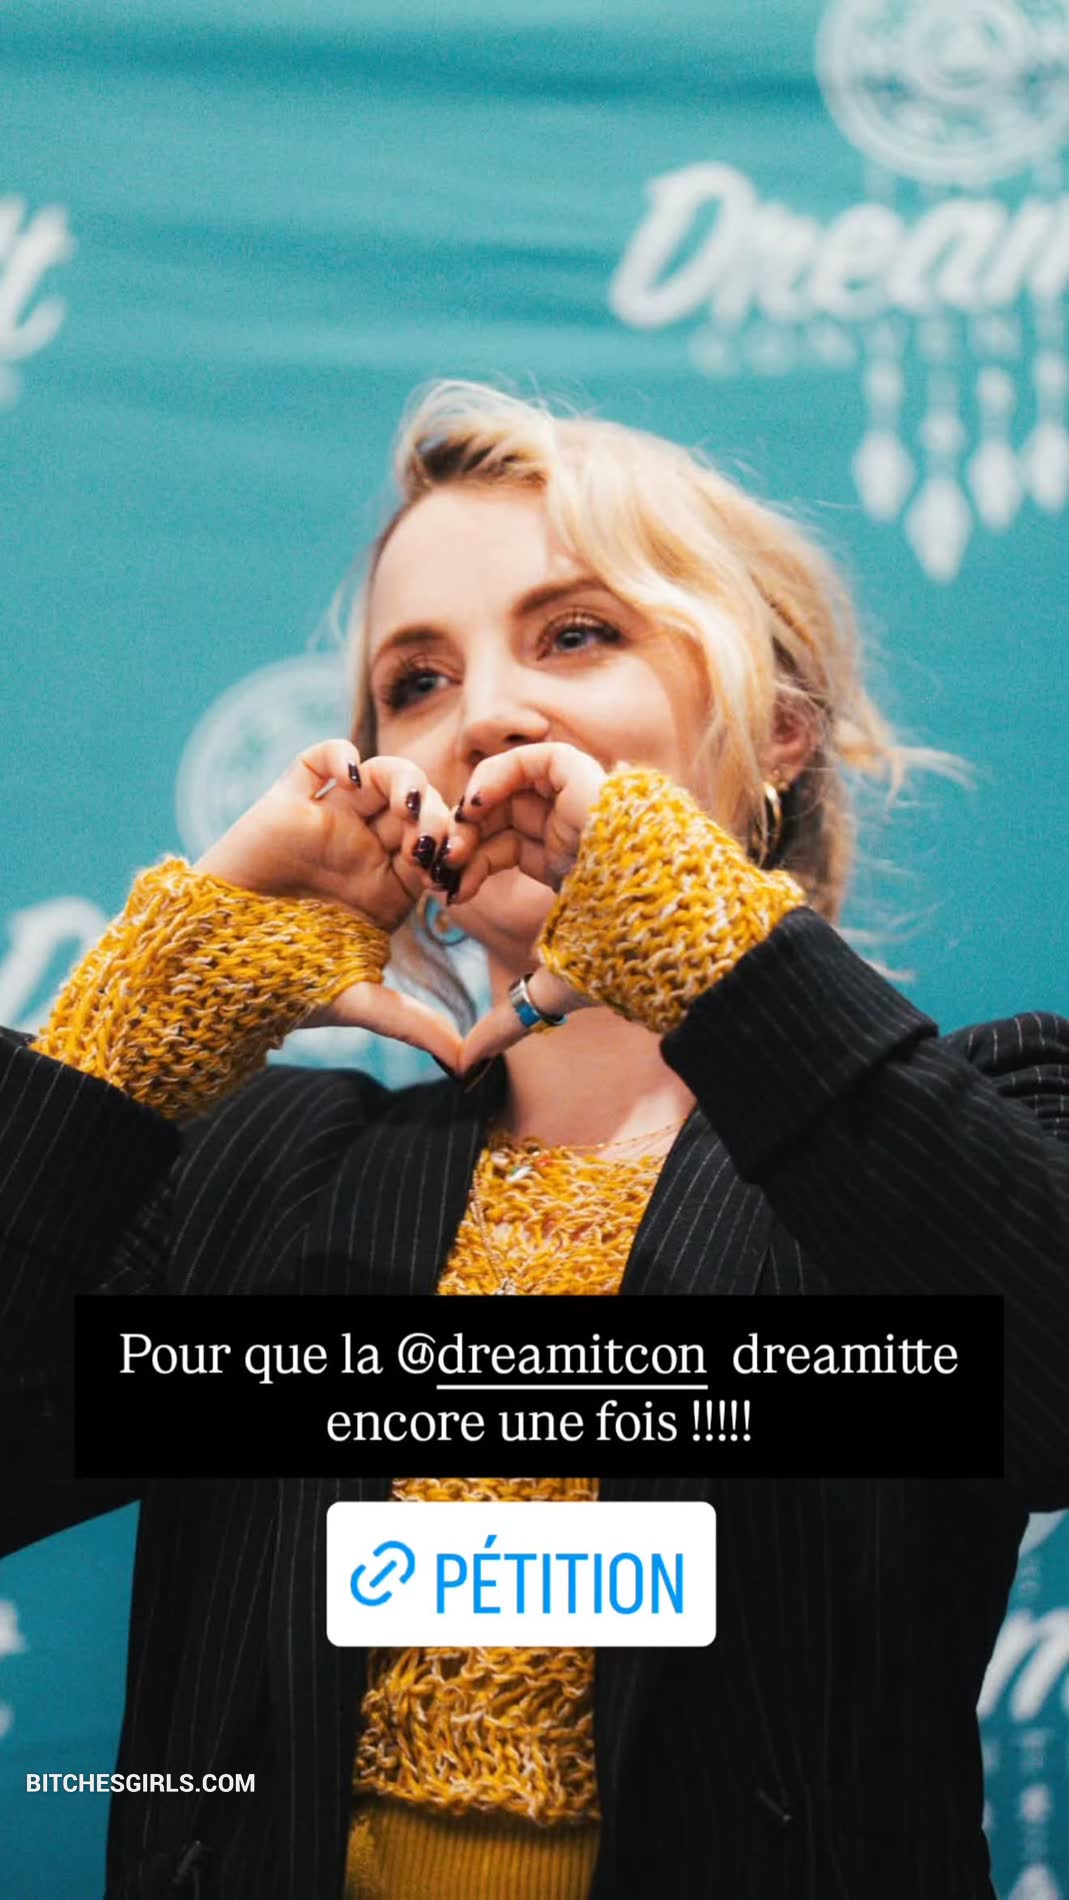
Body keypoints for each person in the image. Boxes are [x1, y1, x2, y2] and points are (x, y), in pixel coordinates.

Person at [1, 378, 1066, 1900]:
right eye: (417, 681)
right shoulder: (257, 1170)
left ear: (776, 732)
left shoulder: (992, 1109)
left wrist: (703, 940)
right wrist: (144, 1016)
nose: (486, 714)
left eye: (575, 635)